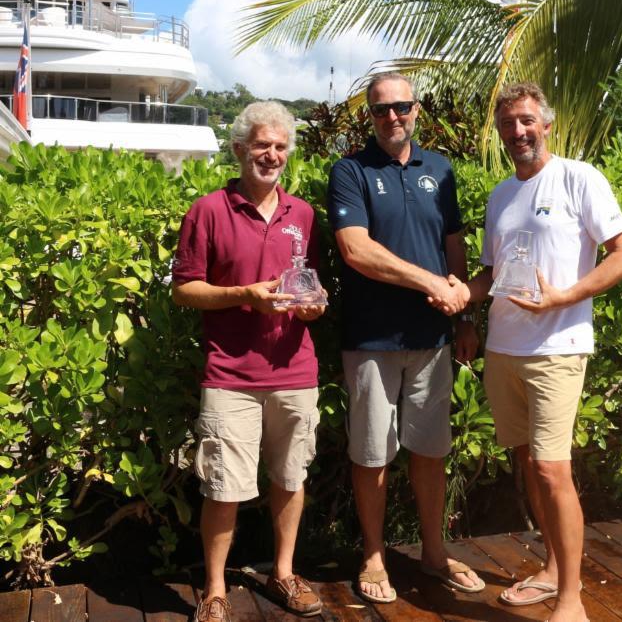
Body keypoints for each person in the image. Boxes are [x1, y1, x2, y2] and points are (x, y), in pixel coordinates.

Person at [455, 83, 622, 622]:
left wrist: (564, 296)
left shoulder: (579, 178)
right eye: (509, 124)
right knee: (527, 465)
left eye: (527, 121)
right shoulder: (498, 195)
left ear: (547, 124)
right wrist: (458, 301)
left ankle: (571, 600)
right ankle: (554, 568)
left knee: (552, 468)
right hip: (503, 348)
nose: (518, 132)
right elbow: (491, 275)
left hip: (558, 348)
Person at [326, 72, 484, 603]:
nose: (392, 117)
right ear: (369, 116)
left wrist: (464, 315)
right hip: (371, 338)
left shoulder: (439, 168)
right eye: (380, 110)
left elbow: (453, 242)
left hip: (434, 337)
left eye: (402, 107)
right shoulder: (350, 171)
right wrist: (431, 283)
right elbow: (356, 250)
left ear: (417, 110)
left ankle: (433, 552)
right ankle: (373, 555)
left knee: (431, 448)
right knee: (372, 452)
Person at [172, 101, 326, 621]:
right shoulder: (208, 210)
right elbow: (185, 290)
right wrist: (244, 294)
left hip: (295, 371)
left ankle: (283, 574)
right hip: (231, 375)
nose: (272, 154)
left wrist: (313, 305)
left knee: (290, 478)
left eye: (281, 146)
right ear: (239, 149)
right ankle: (215, 590)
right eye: (262, 145)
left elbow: (309, 289)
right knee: (223, 486)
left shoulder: (302, 214)